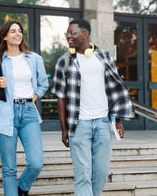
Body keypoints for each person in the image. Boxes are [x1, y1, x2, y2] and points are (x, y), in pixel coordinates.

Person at [51, 19, 134, 196]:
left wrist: (117, 121)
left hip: (103, 123)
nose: (68, 36)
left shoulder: (104, 56)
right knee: (83, 175)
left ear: (85, 34)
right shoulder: (64, 62)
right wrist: (64, 129)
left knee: (101, 172)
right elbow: (61, 98)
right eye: (67, 33)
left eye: (73, 33)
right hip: (79, 124)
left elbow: (115, 89)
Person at [0, 20, 49, 196]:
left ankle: (22, 188)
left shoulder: (34, 58)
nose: (17, 34)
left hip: (28, 112)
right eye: (13, 31)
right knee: (9, 168)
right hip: (5, 113)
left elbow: (43, 84)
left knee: (36, 163)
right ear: (4, 36)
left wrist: (33, 98)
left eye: (19, 31)